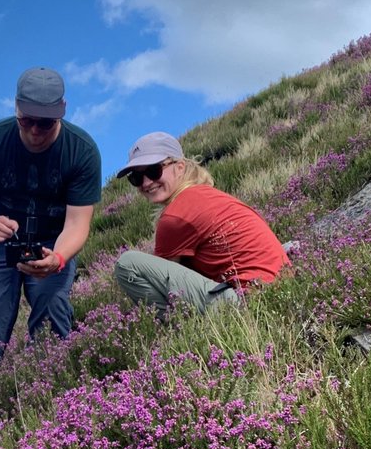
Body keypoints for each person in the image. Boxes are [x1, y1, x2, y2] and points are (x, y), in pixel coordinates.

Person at [0, 67, 102, 380]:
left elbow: (77, 223)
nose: (35, 130)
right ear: (16, 109)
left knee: (53, 315)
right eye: (26, 120)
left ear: (61, 113)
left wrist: (58, 258)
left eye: (45, 122)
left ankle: (55, 398)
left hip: (53, 241)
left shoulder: (82, 151)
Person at [113, 131, 288, 313]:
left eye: (153, 171)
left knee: (127, 264)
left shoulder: (176, 215)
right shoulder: (202, 195)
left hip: (250, 301)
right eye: (136, 178)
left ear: (180, 167)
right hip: (281, 289)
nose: (146, 183)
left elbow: (165, 286)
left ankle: (177, 330)